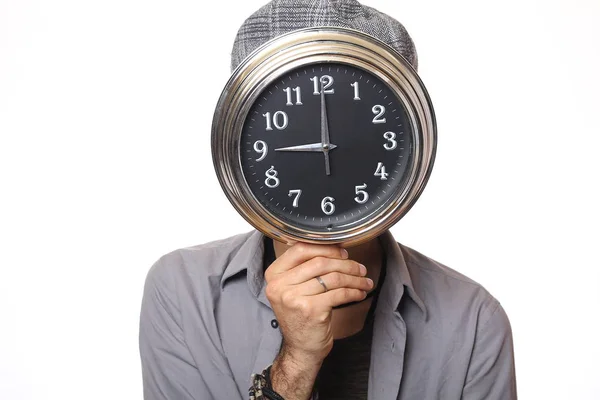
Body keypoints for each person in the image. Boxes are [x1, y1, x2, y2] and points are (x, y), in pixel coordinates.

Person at [139, 1, 517, 399]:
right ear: (241, 137)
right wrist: (297, 361)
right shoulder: (183, 293)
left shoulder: (474, 321)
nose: (326, 148)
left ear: (403, 143)